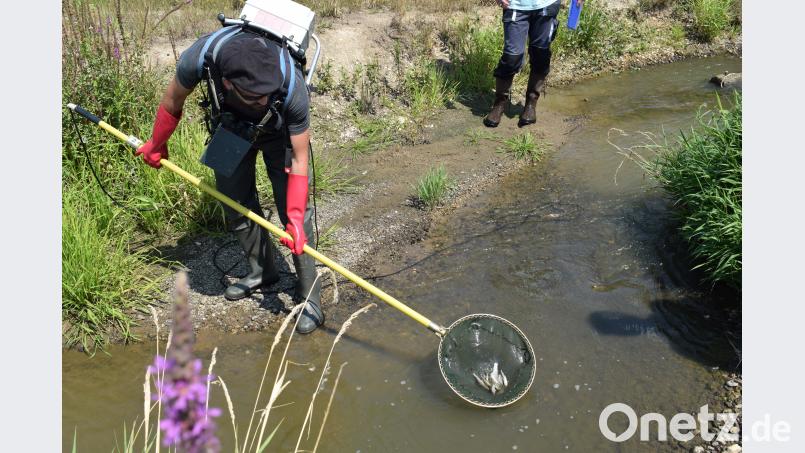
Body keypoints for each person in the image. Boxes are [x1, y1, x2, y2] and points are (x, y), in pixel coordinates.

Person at [135, 26, 324, 334]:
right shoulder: (199, 57)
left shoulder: (292, 88)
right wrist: (157, 143)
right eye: (256, 97)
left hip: (281, 138)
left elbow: (300, 159)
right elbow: (172, 101)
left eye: (267, 94)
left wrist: (293, 217)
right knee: (233, 198)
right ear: (227, 82)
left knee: (297, 214)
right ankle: (262, 271)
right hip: (230, 126)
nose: (264, 99)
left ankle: (310, 296)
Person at [484, 0, 581, 128]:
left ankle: (531, 103)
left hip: (547, 5)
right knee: (511, 58)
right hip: (515, 5)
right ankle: (499, 104)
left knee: (541, 55)